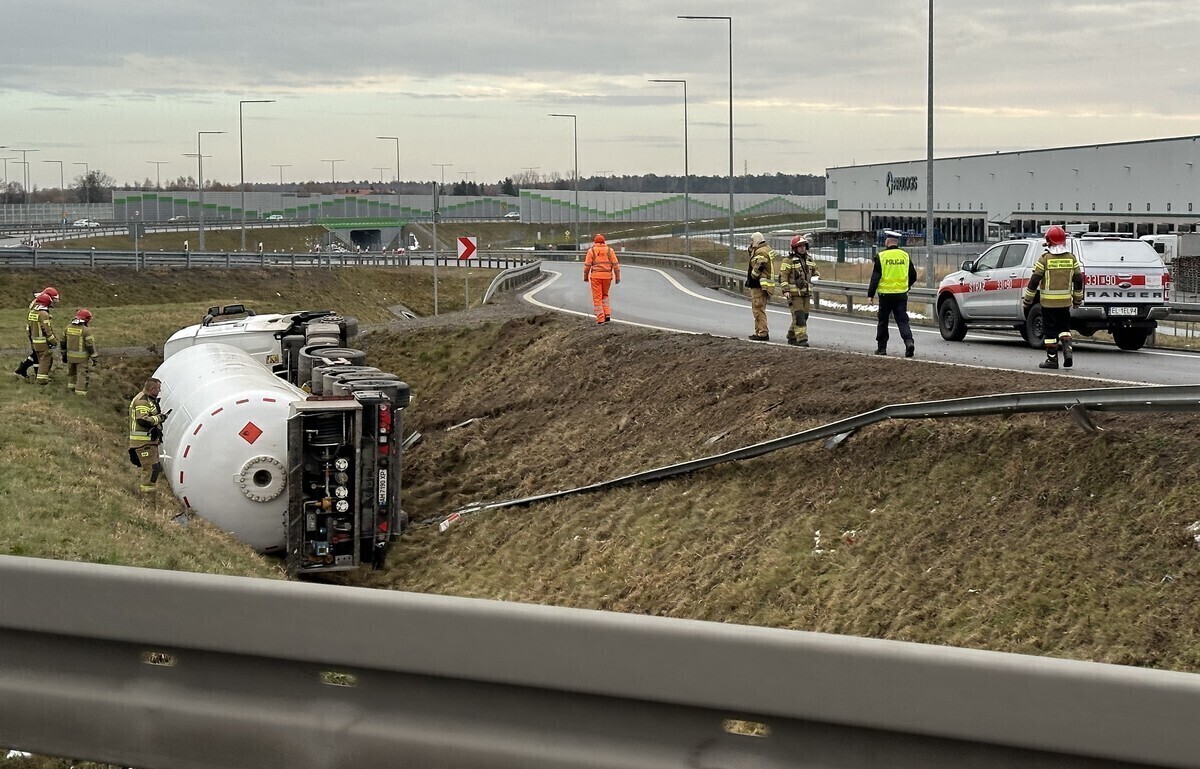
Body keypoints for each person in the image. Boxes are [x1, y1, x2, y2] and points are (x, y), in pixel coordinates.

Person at [1023, 225, 1083, 369]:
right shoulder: (1071, 258)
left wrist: (1028, 300)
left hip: (1048, 304)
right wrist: (1077, 299)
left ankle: (1052, 360)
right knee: (1064, 328)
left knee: (1050, 332)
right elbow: (1078, 280)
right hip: (1065, 303)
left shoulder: (1045, 259)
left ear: (1048, 241)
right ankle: (1068, 351)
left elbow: (1034, 281)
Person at [867, 231, 917, 357]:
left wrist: (870, 294)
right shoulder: (905, 255)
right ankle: (909, 342)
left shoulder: (881, 256)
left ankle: (882, 348)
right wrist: (906, 286)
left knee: (883, 321)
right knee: (902, 320)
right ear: (897, 242)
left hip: (885, 295)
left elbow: (875, 277)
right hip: (901, 295)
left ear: (887, 241)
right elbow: (913, 275)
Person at [778, 235, 820, 346]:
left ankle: (792, 336)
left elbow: (816, 272)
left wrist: (815, 277)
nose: (802, 248)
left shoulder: (810, 260)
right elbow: (783, 276)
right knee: (799, 315)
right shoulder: (788, 260)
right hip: (794, 295)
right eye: (799, 246)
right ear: (794, 248)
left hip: (806, 294)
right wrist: (785, 291)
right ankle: (802, 339)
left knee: (804, 316)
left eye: (804, 246)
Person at [129, 377, 169, 494]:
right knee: (150, 469)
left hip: (149, 441)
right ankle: (146, 496)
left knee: (154, 468)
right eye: (158, 389)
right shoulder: (142, 401)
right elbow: (142, 420)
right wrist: (159, 418)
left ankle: (149, 494)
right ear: (152, 388)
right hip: (143, 442)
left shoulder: (149, 400)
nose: (159, 391)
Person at [14, 286, 59, 380]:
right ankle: (37, 373)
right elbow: (39, 317)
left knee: (36, 353)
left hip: (33, 329)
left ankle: (25, 369)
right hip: (35, 330)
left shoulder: (39, 301)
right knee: (39, 354)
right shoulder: (40, 304)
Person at [583, 234, 621, 324]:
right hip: (607, 277)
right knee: (605, 295)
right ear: (604, 241)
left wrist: (585, 277)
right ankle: (607, 314)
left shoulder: (591, 251)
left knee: (597, 297)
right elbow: (616, 265)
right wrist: (617, 277)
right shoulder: (610, 251)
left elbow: (587, 266)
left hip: (595, 277)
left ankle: (600, 318)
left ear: (595, 242)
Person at [745, 232, 776, 341]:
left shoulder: (761, 251)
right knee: (758, 310)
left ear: (756, 240)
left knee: (758, 310)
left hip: (759, 285)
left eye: (752, 240)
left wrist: (753, 275)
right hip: (763, 285)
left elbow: (759, 265)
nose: (750, 243)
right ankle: (759, 331)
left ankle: (762, 333)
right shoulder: (764, 249)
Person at [62, 308, 99, 396]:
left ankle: (70, 390)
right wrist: (94, 357)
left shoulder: (68, 328)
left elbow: (62, 342)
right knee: (81, 375)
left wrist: (63, 354)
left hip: (70, 356)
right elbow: (90, 345)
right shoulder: (86, 330)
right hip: (82, 358)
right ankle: (80, 393)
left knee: (71, 373)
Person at [25, 291, 59, 385]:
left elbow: (29, 328)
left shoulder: (32, 313)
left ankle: (39, 377)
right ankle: (42, 380)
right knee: (45, 359)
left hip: (34, 340)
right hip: (43, 342)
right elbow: (47, 330)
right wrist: (54, 341)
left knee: (40, 359)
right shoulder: (43, 314)